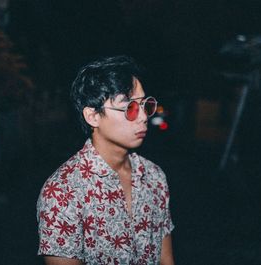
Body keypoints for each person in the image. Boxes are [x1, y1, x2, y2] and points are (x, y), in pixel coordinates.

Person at [36, 55, 175, 265]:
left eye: (144, 104)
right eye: (129, 107)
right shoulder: (62, 192)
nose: (143, 116)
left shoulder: (154, 176)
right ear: (93, 116)